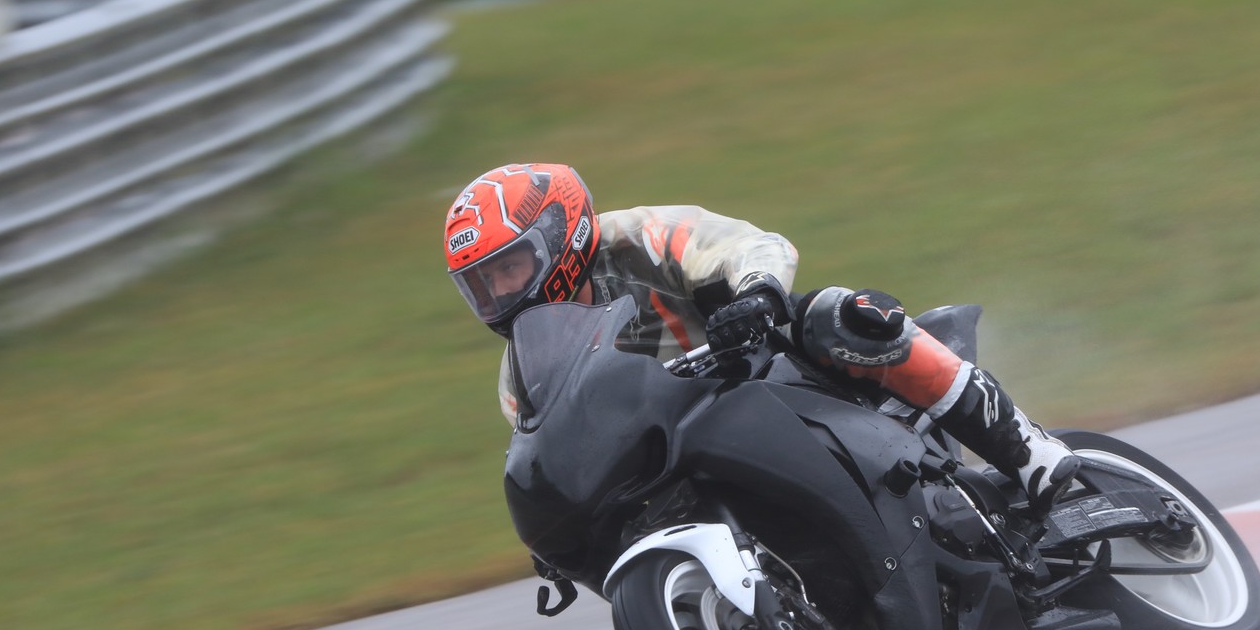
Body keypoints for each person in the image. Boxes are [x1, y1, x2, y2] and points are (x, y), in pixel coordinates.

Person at [444, 162, 1079, 516]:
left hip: (766, 365)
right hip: (684, 444)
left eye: (509, 268)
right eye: (483, 283)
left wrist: (756, 294)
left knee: (843, 316)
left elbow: (752, 245)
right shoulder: (521, 378)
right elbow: (551, 451)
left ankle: (1026, 449)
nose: (499, 292)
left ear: (562, 236)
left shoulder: (636, 237)